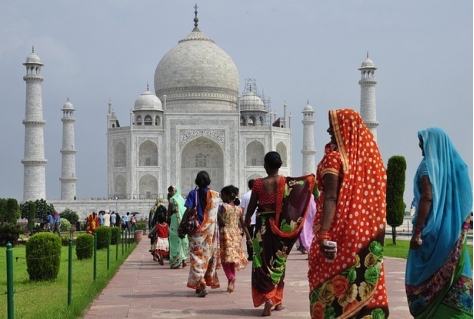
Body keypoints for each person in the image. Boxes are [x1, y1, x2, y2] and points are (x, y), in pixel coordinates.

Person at [307, 109, 389, 318]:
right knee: (360, 283)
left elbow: (331, 198)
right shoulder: (370, 162)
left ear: (344, 129)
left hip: (338, 232)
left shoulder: (334, 159)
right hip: (365, 235)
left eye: (333, 126)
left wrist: (324, 234)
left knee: (328, 288)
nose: (328, 130)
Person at [405, 127, 473, 318]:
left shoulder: (428, 166)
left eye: (423, 141)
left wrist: (417, 231)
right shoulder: (454, 167)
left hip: (433, 235)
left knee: (423, 279)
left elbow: (427, 198)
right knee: (454, 279)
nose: (420, 146)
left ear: (434, 143)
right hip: (453, 234)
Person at [245, 151, 315, 316]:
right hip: (279, 228)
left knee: (261, 262)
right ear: (280, 165)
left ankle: (267, 298)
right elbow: (296, 198)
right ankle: (277, 301)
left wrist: (247, 219)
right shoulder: (285, 182)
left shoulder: (257, 184)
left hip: (262, 228)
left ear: (265, 166)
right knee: (278, 262)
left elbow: (252, 206)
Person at [182, 170, 221, 297]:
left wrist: (183, 224)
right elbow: (217, 215)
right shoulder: (215, 195)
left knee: (196, 258)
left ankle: (202, 284)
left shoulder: (193, 193)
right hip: (210, 233)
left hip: (196, 232)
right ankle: (200, 284)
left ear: (197, 181)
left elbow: (188, 210)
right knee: (205, 258)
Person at [219, 185, 251, 293]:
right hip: (236, 235)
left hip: (226, 234)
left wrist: (217, 214)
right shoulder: (238, 209)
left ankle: (230, 277)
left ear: (228, 196)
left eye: (222, 195)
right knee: (232, 260)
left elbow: (222, 222)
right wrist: (249, 238)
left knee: (224, 259)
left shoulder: (224, 207)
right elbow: (243, 224)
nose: (221, 197)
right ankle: (232, 284)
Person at [167, 186, 189, 269]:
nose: (169, 193)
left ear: (174, 191)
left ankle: (176, 262)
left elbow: (168, 214)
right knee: (181, 239)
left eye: (170, 191)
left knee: (174, 240)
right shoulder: (181, 199)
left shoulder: (172, 200)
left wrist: (167, 220)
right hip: (182, 222)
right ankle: (184, 260)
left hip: (174, 220)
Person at [240, 179, 256, 261]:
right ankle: (257, 254)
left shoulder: (245, 196)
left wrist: (241, 220)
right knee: (258, 238)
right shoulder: (259, 195)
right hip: (258, 219)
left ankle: (250, 255)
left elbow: (242, 209)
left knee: (249, 238)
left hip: (248, 220)